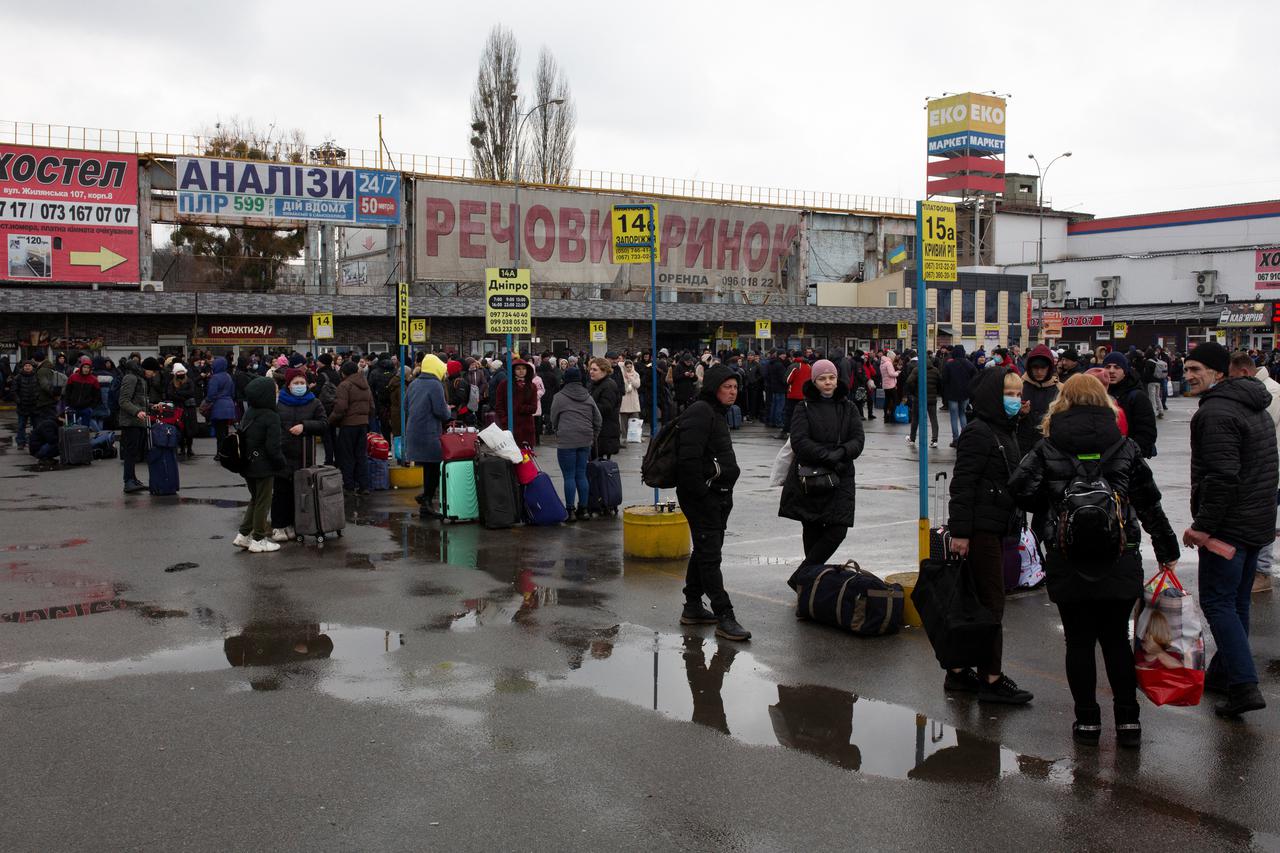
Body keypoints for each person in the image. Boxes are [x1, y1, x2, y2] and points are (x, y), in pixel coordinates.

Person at [1010, 374, 1180, 747]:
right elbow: (1149, 503)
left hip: (1067, 558)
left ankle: (1086, 721)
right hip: (1119, 557)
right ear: (1104, 402)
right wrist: (1167, 549)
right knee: (1117, 641)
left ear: (1062, 402)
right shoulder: (1124, 446)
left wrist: (1052, 505)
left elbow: (1020, 489)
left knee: (1079, 642)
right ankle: (1128, 722)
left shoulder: (1047, 446)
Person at [1183, 341, 1278, 717]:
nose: (1188, 376)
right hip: (1255, 521)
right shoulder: (1251, 404)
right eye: (1186, 368)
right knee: (1236, 602)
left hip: (1228, 526)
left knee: (1218, 603)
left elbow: (1222, 476)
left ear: (1219, 373)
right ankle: (1224, 674)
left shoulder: (1216, 413)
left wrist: (1203, 527)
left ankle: (1244, 684)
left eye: (1196, 370)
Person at [946, 367, 1032, 705]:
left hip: (995, 527)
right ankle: (991, 678)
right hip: (980, 531)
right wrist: (961, 533)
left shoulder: (1004, 428)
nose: (1015, 400)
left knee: (976, 604)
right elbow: (963, 485)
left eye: (1017, 394)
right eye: (1008, 394)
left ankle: (957, 672)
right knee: (991, 603)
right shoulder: (979, 432)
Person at [677, 364, 749, 641]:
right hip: (703, 497)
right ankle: (724, 615)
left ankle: (692, 606)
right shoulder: (701, 412)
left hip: (717, 495)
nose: (733, 393)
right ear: (714, 388)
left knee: (705, 550)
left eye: (735, 387)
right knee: (710, 556)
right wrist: (703, 494)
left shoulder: (716, 412)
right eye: (727, 387)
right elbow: (689, 461)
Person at [778, 359, 865, 568]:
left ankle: (801, 577)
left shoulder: (849, 407)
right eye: (822, 378)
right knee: (812, 529)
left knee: (838, 530)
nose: (828, 382)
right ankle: (810, 583)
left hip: (841, 474)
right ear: (814, 382)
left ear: (837, 379)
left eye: (831, 377)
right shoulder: (804, 407)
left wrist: (842, 452)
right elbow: (799, 440)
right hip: (811, 475)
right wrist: (827, 455)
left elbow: (858, 440)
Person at [1228, 352, 1280, 592]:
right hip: (1265, 467)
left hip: (1269, 468)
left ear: (1244, 373)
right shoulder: (1263, 391)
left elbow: (1254, 431)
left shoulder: (1271, 394)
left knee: (1263, 519)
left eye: (1231, 377)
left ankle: (1262, 572)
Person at [269, 368, 328, 541]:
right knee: (281, 491)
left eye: (302, 383)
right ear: (288, 385)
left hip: (304, 454)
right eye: (296, 383)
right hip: (283, 453)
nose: (300, 386)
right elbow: (274, 426)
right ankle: (279, 526)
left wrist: (305, 426)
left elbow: (324, 424)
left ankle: (296, 524)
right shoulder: (279, 403)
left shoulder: (314, 402)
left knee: (300, 492)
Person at [233, 376, 288, 553]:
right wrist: (281, 465)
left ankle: (243, 535)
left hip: (247, 464)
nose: (277, 394)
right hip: (263, 466)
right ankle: (259, 538)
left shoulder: (250, 412)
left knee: (255, 499)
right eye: (275, 391)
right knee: (264, 501)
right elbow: (273, 447)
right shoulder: (271, 416)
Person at [549, 366, 601, 522]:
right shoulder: (588, 397)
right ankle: (583, 510)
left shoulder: (559, 397)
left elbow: (553, 418)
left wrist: (558, 431)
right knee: (581, 474)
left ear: (565, 379)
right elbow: (598, 420)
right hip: (585, 439)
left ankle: (570, 511)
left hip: (567, 440)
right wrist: (593, 436)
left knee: (569, 476)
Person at [404, 354, 452, 519]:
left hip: (414, 431)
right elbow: (441, 412)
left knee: (427, 467)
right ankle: (427, 503)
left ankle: (425, 498)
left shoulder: (414, 383)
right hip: (429, 433)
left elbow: (405, 406)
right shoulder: (435, 385)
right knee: (434, 468)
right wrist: (449, 409)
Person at [118, 357, 162, 494]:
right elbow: (123, 401)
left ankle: (133, 478)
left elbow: (138, 401)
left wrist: (151, 406)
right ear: (147, 369)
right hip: (130, 422)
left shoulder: (141, 379)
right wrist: (137, 412)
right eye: (153, 372)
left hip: (138, 421)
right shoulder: (131, 378)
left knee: (134, 453)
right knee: (130, 453)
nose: (153, 375)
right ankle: (128, 481)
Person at [328, 360, 373, 495]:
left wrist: (330, 421)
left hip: (348, 425)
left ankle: (349, 485)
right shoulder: (365, 385)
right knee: (361, 455)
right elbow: (372, 406)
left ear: (343, 373)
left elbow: (340, 408)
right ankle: (364, 486)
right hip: (363, 425)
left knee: (347, 456)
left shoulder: (344, 385)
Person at [1102, 352, 1157, 458]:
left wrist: (1128, 453)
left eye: (1117, 367)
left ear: (1125, 371)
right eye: (1107, 367)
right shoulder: (1096, 393)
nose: (1111, 371)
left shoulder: (1137, 396)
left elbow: (1147, 433)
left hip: (1128, 459)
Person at [1016, 345, 1060, 453]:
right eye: (1035, 367)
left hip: (1049, 446)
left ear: (1049, 367)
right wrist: (1020, 413)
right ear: (1029, 367)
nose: (1039, 372)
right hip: (1021, 444)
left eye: (1043, 368)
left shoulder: (1061, 389)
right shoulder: (1018, 385)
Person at [494, 359, 539, 449]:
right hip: (510, 424)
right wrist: (504, 420)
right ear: (513, 370)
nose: (521, 371)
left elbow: (534, 407)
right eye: (518, 369)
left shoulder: (531, 386)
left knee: (526, 455)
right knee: (511, 455)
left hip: (526, 425)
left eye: (523, 368)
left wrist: (520, 408)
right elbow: (499, 404)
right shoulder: (504, 385)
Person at [901, 353, 941, 447]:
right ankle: (934, 440)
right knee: (933, 419)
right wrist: (936, 392)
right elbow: (940, 383)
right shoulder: (935, 370)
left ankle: (912, 439)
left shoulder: (917, 369)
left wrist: (915, 391)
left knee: (915, 418)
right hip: (932, 398)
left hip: (918, 398)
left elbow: (909, 381)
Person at [941, 345, 976, 445]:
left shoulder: (949, 365)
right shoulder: (969, 364)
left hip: (952, 395)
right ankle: (965, 438)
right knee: (962, 414)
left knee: (953, 416)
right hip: (965, 394)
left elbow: (944, 380)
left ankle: (955, 439)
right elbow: (975, 377)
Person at [588, 357, 621, 460]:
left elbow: (606, 408)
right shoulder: (596, 384)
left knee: (600, 467)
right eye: (590, 369)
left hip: (605, 433)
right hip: (599, 432)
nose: (591, 372)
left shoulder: (608, 385)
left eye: (595, 370)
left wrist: (587, 407)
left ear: (604, 371)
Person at [165, 363, 199, 457]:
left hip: (188, 409)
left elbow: (191, 392)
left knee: (189, 429)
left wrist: (178, 393)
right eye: (179, 372)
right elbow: (170, 394)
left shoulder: (189, 381)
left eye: (182, 372)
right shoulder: (172, 383)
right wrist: (183, 396)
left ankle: (189, 448)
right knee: (180, 428)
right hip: (178, 408)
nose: (181, 374)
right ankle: (182, 448)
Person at [205, 357, 238, 451]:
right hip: (229, 405)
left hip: (218, 406)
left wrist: (207, 402)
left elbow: (211, 394)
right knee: (225, 430)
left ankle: (220, 452)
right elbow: (232, 393)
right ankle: (226, 450)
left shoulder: (215, 378)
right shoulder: (228, 376)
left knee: (219, 432)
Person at [62, 358, 100, 429]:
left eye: (88, 368)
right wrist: (67, 404)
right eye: (84, 367)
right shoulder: (73, 377)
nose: (86, 369)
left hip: (86, 408)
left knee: (84, 429)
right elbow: (68, 392)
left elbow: (97, 395)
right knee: (71, 427)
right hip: (73, 407)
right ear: (81, 367)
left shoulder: (94, 380)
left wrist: (91, 407)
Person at [780, 354, 811, 439]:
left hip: (793, 395)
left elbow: (787, 380)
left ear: (794, 357)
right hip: (805, 395)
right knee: (803, 414)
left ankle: (786, 431)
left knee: (789, 414)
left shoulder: (794, 366)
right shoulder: (808, 366)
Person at [12, 360, 38, 450]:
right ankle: (20, 442)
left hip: (34, 405)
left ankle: (35, 441)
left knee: (36, 425)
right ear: (23, 367)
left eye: (29, 366)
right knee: (21, 426)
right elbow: (14, 391)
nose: (27, 367)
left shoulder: (36, 376)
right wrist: (18, 401)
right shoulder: (18, 378)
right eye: (26, 365)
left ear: (32, 367)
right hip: (22, 406)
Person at [620, 360, 642, 435]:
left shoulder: (636, 374)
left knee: (635, 419)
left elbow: (637, 385)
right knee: (624, 421)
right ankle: (624, 436)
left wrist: (630, 378)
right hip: (624, 399)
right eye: (627, 367)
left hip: (633, 399)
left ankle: (635, 436)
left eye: (630, 367)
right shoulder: (621, 375)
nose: (629, 368)